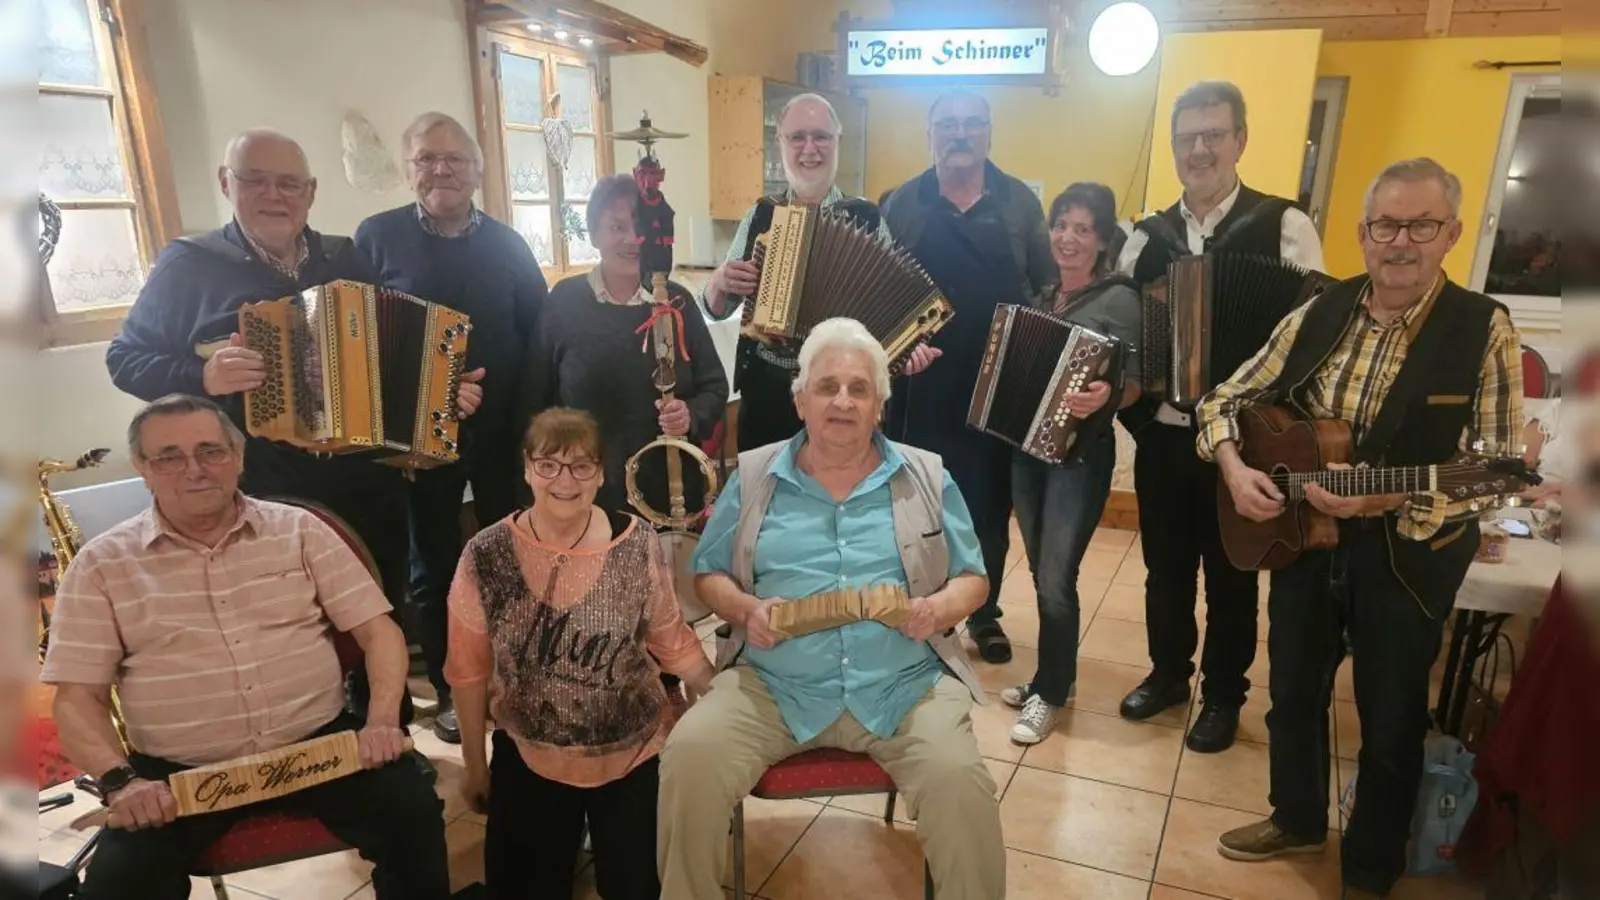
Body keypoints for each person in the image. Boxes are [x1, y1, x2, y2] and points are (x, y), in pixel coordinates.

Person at [1197, 158, 1523, 899]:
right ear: (1362, 232)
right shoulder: (1320, 309)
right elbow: (1225, 396)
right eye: (1386, 224)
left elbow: (1500, 472)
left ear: (1453, 234)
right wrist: (1232, 464)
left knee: (1390, 718)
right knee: (1293, 695)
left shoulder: (1483, 329)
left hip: (1408, 556)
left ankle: (1371, 868)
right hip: (1307, 541)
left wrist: (1384, 503)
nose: (1400, 242)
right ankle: (1298, 817)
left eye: (1421, 225)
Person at [104, 128, 459, 725]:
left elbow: (390, 358)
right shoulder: (189, 266)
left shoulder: (345, 259)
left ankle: (386, 738)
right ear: (227, 184)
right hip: (262, 482)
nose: (275, 194)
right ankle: (309, 743)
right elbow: (125, 358)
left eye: (289, 183)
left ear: (310, 192)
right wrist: (202, 374)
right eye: (256, 180)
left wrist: (441, 391)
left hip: (361, 476)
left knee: (377, 608)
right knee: (285, 620)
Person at [41, 395, 449, 900]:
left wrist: (383, 720)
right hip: (177, 775)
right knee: (117, 884)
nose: (194, 469)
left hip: (318, 746)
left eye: (211, 451)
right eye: (169, 457)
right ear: (145, 469)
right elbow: (78, 697)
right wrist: (120, 782)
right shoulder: (101, 566)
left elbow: (379, 632)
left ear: (238, 458)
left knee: (413, 815)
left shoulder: (299, 530)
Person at [659, 318, 1004, 900]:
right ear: (800, 401)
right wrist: (745, 609)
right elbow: (708, 574)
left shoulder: (928, 476)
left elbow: (974, 578)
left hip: (903, 685)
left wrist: (936, 608)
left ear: (878, 407)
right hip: (775, 686)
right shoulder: (752, 476)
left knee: (961, 784)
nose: (842, 401)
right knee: (690, 758)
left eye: (859, 388)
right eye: (827, 386)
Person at [1113, 81, 1326, 753]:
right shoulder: (1144, 239)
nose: (1199, 148)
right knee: (1164, 570)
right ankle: (1169, 675)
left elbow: (1310, 336)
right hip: (1165, 441)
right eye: (1187, 137)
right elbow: (1126, 342)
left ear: (1240, 140)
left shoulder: (1284, 225)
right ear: (1174, 147)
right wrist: (1141, 420)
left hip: (1248, 444)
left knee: (1234, 574)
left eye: (1214, 134)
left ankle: (1224, 695)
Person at [446, 407, 714, 900]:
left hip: (632, 751)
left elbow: (673, 643)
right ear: (527, 469)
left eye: (581, 465)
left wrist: (723, 701)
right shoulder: (485, 553)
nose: (564, 479)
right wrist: (475, 766)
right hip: (529, 753)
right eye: (548, 464)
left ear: (602, 474)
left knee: (638, 889)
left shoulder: (637, 543)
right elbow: (466, 671)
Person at [354, 112, 547, 744]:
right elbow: (356, 341)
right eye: (427, 159)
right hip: (417, 442)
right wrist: (428, 394)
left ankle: (517, 679)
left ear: (478, 170)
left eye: (455, 159)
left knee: (510, 558)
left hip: (500, 436)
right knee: (431, 565)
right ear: (408, 168)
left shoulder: (508, 244)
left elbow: (537, 336)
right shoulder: (375, 239)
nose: (442, 170)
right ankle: (446, 687)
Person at [881, 90, 1054, 664]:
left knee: (986, 505)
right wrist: (902, 351)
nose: (960, 135)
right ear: (930, 135)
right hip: (920, 385)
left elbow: (1044, 290)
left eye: (971, 125)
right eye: (948, 125)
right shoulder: (903, 202)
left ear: (988, 133)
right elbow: (879, 298)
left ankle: (983, 613)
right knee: (918, 502)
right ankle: (924, 611)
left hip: (998, 382)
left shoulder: (1019, 205)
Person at [1001, 183, 1144, 745]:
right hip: (1028, 451)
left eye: (1083, 229)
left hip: (1079, 458)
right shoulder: (1044, 298)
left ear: (1103, 240)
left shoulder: (1119, 300)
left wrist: (1104, 397)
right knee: (1041, 571)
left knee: (1058, 578)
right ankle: (1050, 676)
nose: (1068, 238)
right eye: (1061, 225)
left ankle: (1051, 694)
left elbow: (1134, 385)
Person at [523, 173, 728, 522]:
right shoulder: (563, 303)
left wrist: (690, 414)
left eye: (641, 227)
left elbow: (714, 387)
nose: (633, 240)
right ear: (595, 235)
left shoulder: (677, 302)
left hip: (669, 490)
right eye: (616, 227)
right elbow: (534, 402)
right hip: (585, 493)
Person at [701, 92, 892, 452]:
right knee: (765, 500)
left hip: (843, 394)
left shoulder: (867, 219)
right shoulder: (760, 215)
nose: (810, 149)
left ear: (837, 142)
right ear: (780, 143)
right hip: (769, 392)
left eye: (821, 136)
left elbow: (893, 309)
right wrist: (719, 281)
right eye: (797, 137)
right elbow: (717, 309)